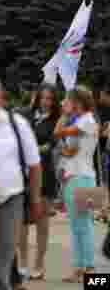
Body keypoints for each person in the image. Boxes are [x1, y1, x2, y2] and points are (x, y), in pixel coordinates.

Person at [0, 72, 42, 290]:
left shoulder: (16, 124)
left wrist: (35, 200)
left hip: (9, 204)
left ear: (1, 99)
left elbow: (34, 165)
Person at [53, 85, 98, 281]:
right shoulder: (82, 121)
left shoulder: (86, 121)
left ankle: (89, 270)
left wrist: (63, 115)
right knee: (77, 225)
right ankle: (80, 269)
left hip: (82, 178)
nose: (64, 103)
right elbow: (68, 149)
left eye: (67, 100)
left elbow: (58, 133)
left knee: (84, 225)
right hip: (79, 177)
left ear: (77, 103)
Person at [17, 83, 59, 280]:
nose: (46, 102)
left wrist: (33, 149)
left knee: (42, 222)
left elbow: (51, 145)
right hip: (23, 176)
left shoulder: (57, 120)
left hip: (45, 175)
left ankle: (39, 265)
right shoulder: (25, 115)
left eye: (50, 99)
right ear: (37, 98)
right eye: (43, 98)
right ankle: (23, 263)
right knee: (22, 224)